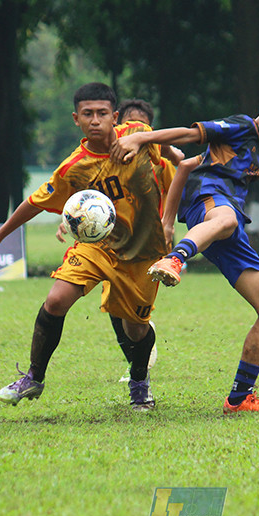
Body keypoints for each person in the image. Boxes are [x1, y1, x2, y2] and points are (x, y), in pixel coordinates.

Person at [111, 74, 259, 413]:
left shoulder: (254, 152)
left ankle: (240, 398)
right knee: (227, 219)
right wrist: (143, 139)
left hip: (226, 224)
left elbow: (187, 166)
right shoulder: (239, 127)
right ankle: (175, 260)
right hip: (212, 205)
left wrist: (166, 221)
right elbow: (190, 136)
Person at [0, 83, 168, 410]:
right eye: (87, 114)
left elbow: (181, 139)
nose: (95, 120)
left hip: (142, 251)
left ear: (115, 116)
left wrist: (143, 138)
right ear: (76, 119)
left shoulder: (138, 132)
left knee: (135, 328)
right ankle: (33, 377)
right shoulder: (74, 167)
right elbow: (33, 202)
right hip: (96, 247)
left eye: (103, 113)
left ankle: (139, 379)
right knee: (56, 299)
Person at [54, 99, 184, 384]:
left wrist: (171, 238)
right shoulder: (93, 161)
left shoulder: (157, 162)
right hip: (109, 245)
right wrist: (68, 221)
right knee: (112, 307)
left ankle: (139, 363)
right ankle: (135, 367)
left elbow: (174, 193)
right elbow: (87, 200)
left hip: (146, 248)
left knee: (134, 322)